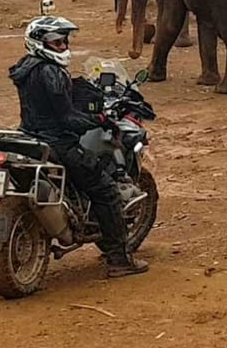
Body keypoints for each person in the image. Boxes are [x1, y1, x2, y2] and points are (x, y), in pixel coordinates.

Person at [8, 16, 149, 278]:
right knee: (106, 190)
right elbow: (66, 118)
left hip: (30, 137)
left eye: (64, 41)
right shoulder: (51, 72)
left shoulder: (25, 68)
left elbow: (51, 103)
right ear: (40, 43)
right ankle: (119, 260)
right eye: (56, 42)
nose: (62, 46)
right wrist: (100, 120)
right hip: (59, 142)